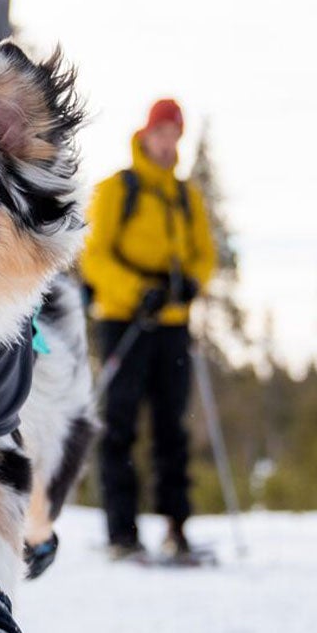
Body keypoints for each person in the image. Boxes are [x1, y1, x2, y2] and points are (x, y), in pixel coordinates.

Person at [77, 99, 215, 562]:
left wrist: (192, 283)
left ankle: (177, 528)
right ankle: (122, 532)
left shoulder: (184, 195)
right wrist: (139, 291)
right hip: (124, 321)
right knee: (119, 425)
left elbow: (204, 253)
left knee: (172, 429)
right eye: (162, 132)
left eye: (175, 133)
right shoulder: (120, 189)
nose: (168, 141)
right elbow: (93, 256)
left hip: (173, 326)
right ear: (147, 133)